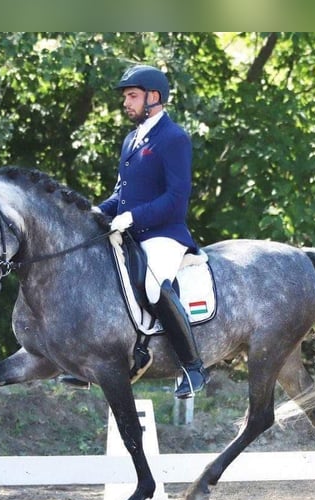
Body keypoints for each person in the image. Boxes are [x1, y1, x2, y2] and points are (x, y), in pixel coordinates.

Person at [98, 64, 209, 399]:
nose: (126, 103)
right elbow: (122, 193)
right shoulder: (131, 140)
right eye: (126, 97)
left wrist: (131, 217)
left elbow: (176, 200)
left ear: (154, 97)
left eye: (132, 96)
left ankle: (192, 367)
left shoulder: (173, 139)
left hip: (165, 234)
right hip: (133, 231)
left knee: (151, 285)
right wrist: (96, 212)